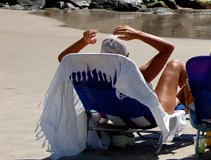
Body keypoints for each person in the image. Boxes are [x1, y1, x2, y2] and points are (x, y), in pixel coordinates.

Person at [58, 25, 187, 114]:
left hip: (112, 114)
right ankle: (194, 100)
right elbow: (168, 48)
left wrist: (83, 41)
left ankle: (187, 96)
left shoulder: (90, 75)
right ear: (127, 56)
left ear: (102, 55)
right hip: (150, 117)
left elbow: (64, 59)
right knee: (175, 65)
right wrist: (138, 34)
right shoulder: (138, 75)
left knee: (184, 91)